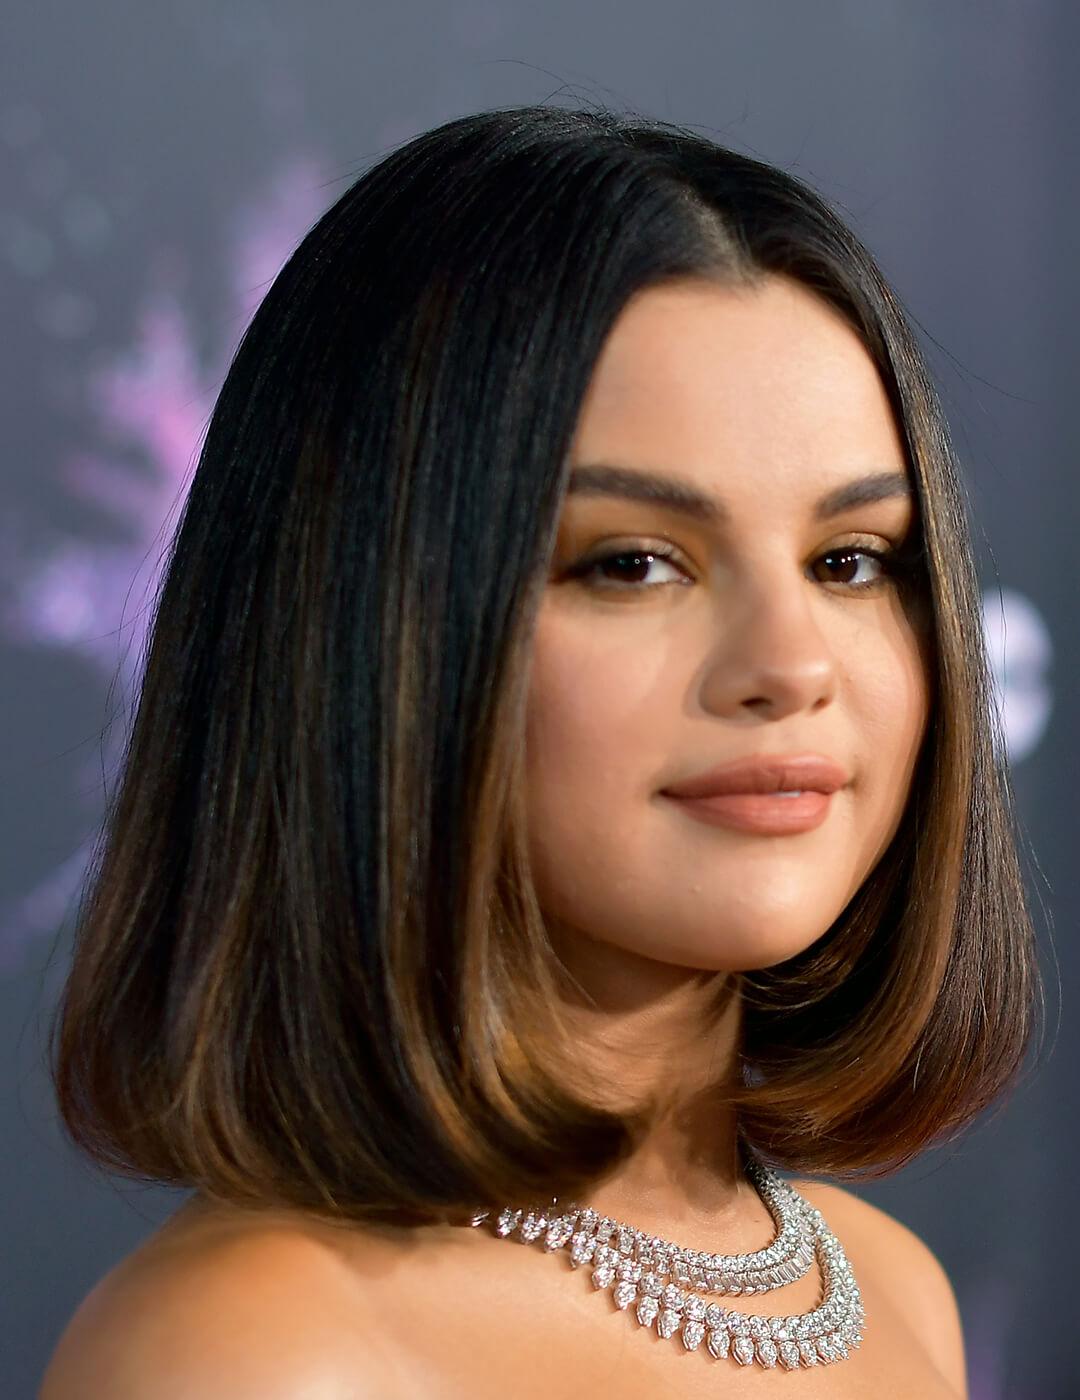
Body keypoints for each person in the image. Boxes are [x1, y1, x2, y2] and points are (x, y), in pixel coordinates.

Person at [40, 103, 1037, 1399]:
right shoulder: (259, 1353)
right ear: (373, 624)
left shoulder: (894, 1291)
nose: (792, 665)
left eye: (849, 561)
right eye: (633, 563)